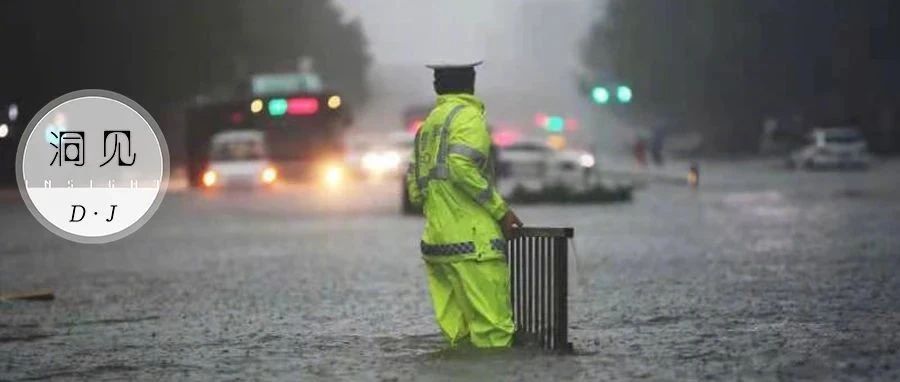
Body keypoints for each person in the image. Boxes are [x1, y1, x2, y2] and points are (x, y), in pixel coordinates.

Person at [406, 60, 522, 348]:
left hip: (437, 247)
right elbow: (460, 166)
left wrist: (441, 210)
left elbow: (415, 190)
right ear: (472, 84)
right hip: (474, 245)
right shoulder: (468, 118)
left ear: (437, 87)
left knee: (459, 338)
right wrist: (501, 211)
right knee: (494, 334)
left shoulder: (428, 127)